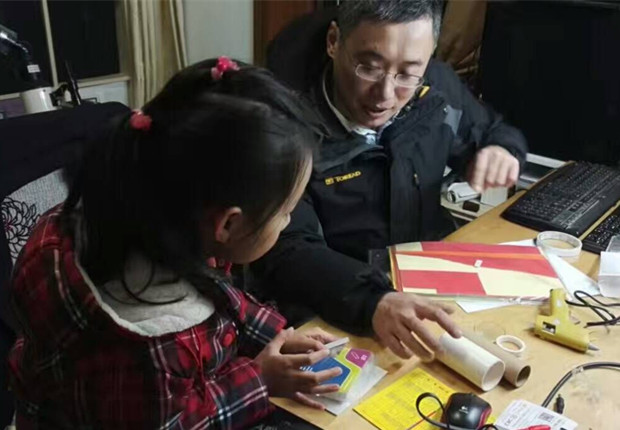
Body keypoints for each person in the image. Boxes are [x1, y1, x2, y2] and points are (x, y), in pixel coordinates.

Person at [8, 57, 342, 429]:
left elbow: (219, 293)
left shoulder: (134, 218)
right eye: (286, 212)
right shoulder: (150, 345)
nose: (289, 221)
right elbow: (181, 421)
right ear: (228, 224)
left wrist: (275, 334)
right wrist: (260, 380)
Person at [251, 0, 528, 360]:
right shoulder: (282, 127)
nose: (385, 95)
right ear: (334, 41)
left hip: (429, 283)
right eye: (369, 67)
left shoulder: (434, 88)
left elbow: (491, 129)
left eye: (408, 73)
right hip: (338, 305)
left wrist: (501, 149)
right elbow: (286, 248)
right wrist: (373, 301)